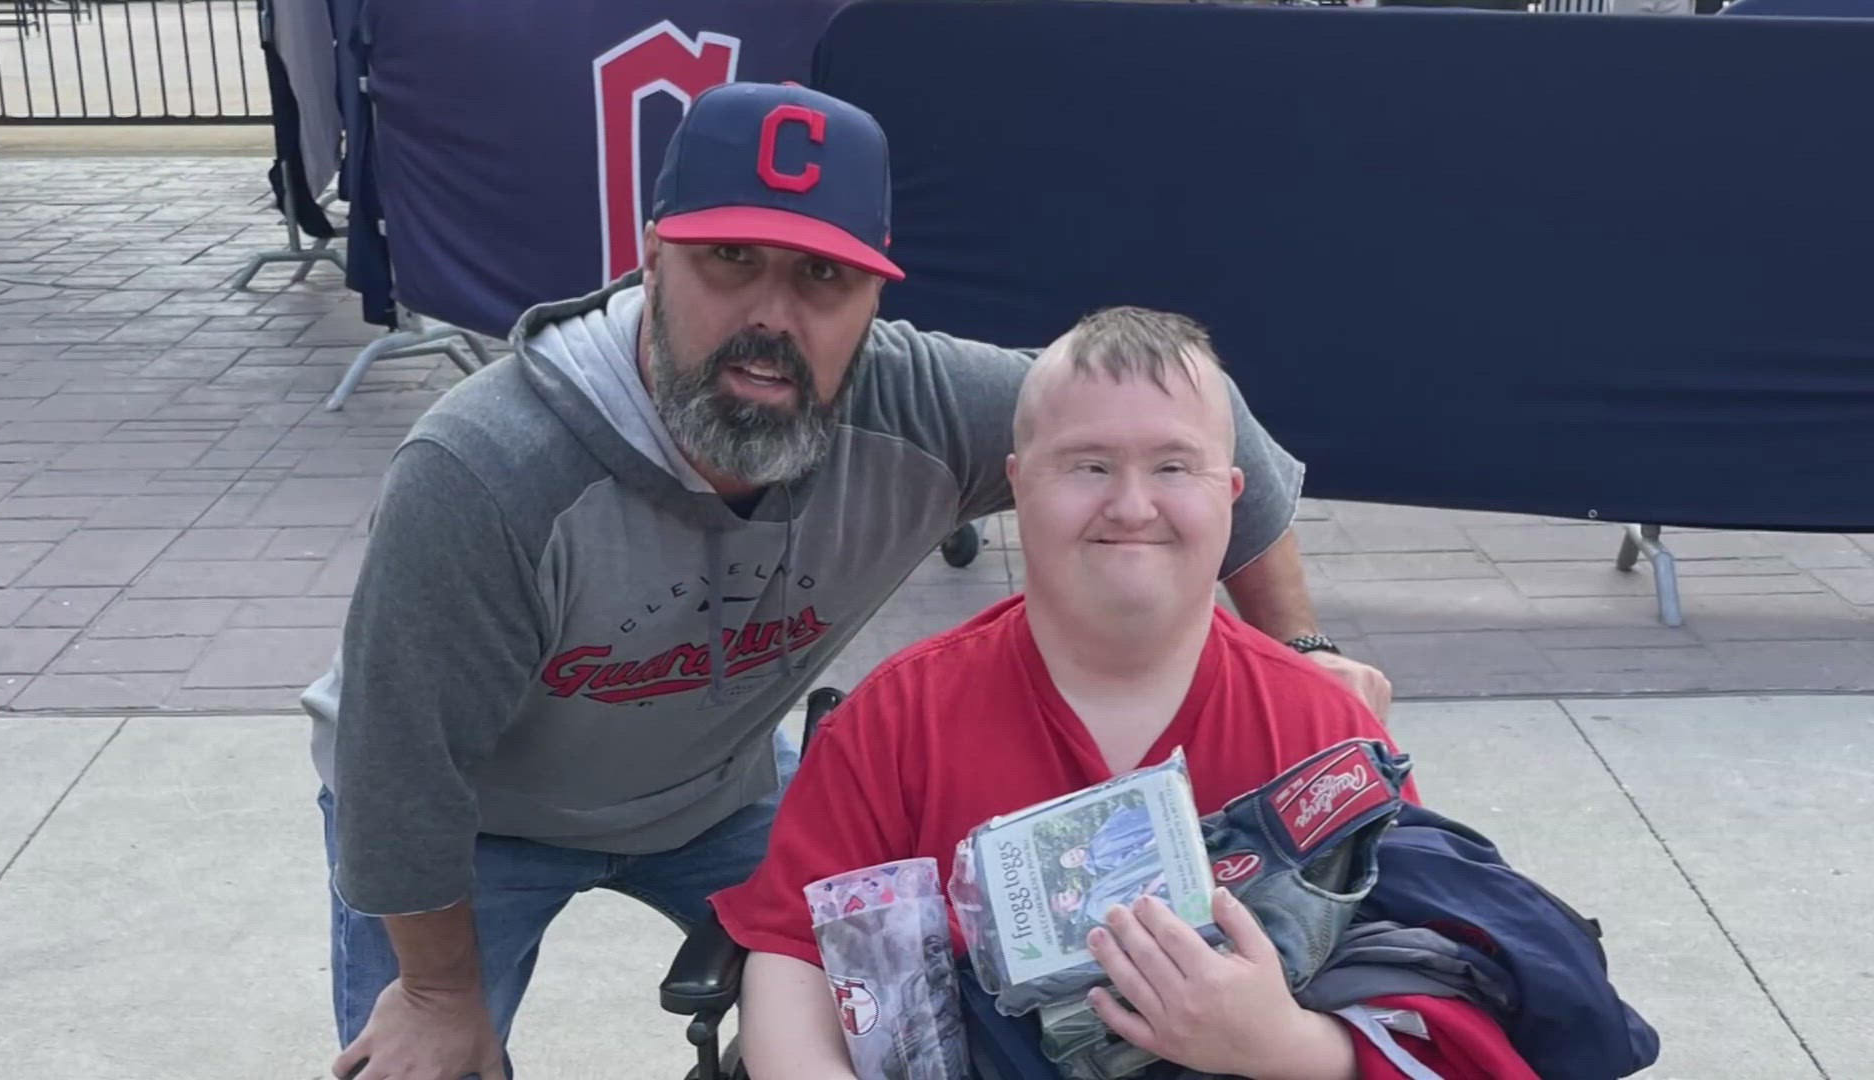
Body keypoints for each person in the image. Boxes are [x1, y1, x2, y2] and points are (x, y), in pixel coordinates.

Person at [303, 81, 1388, 1080]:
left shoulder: (917, 403)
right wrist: (441, 996)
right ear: (650, 257)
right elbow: (397, 766)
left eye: (823, 277)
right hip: (471, 819)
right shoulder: (489, 470)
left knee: (868, 994)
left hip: (712, 789)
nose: (775, 315)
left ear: (873, 293)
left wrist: (1303, 656)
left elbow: (1197, 418)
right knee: (430, 1059)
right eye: (731, 258)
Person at [710, 306, 1534, 1078]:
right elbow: (796, 953)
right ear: (1018, 484)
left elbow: (1429, 996)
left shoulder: (1322, 727)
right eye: (1089, 465)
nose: (1132, 506)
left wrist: (1283, 1042)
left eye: (1174, 466)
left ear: (1232, 496)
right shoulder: (900, 715)